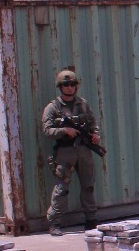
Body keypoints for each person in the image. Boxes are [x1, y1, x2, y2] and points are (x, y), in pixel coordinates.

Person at [41, 67, 102, 235]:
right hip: (66, 152)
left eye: (72, 84)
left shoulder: (82, 104)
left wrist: (96, 135)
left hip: (84, 150)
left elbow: (92, 122)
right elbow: (47, 130)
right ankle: (54, 223)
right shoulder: (53, 108)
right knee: (62, 188)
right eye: (65, 84)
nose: (69, 87)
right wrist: (64, 131)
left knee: (88, 186)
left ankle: (91, 220)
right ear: (60, 87)